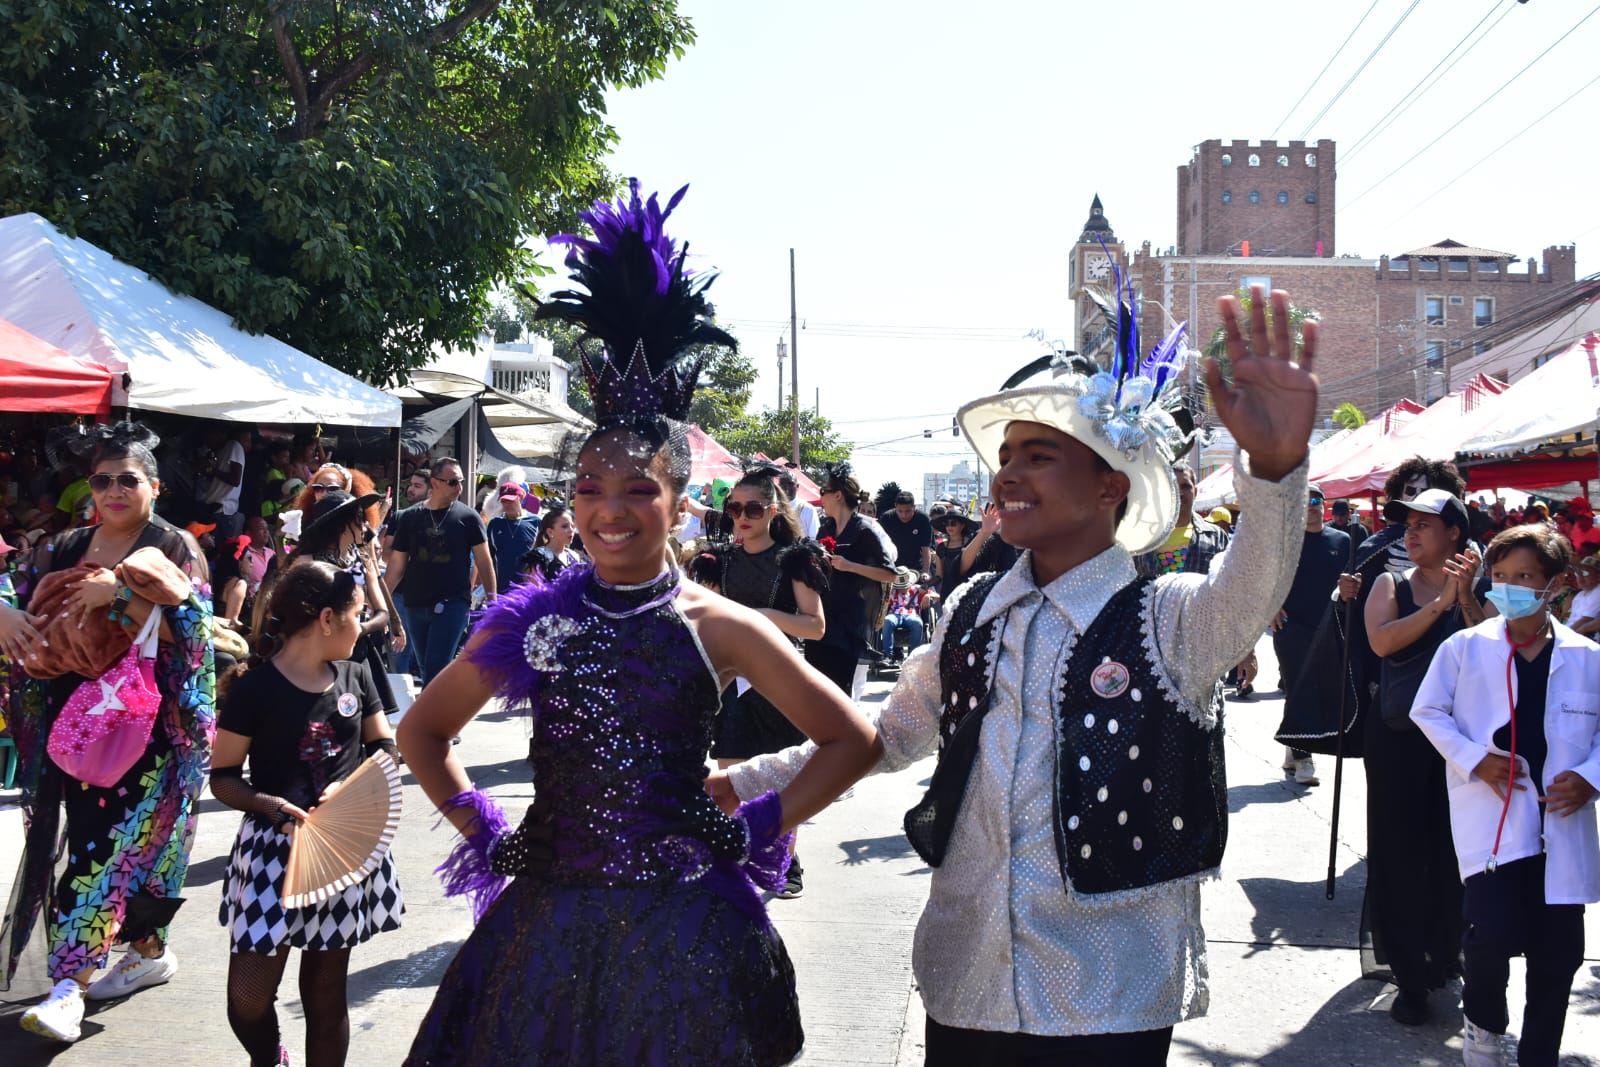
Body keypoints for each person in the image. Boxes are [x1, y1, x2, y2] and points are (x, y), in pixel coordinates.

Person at [715, 285, 1320, 1064]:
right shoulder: (970, 610)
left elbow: (1253, 589)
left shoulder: (1168, 619)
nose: (1008, 475)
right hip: (969, 980)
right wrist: (742, 781)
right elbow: (888, 736)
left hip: (1112, 997)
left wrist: (1274, 469)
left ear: (1112, 483)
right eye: (1004, 457)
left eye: (1039, 455)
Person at [395, 180, 877, 1065]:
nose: (609, 511)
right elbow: (422, 731)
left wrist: (760, 826)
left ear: (679, 497)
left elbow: (852, 740)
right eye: (588, 489)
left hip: (688, 926)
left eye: (636, 490)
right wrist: (483, 828)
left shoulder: (716, 623)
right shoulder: (534, 618)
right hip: (545, 920)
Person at [3, 421, 216, 1044]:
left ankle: (70, 987)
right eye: (103, 480)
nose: (115, 490)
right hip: (69, 721)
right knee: (119, 847)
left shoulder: (172, 549)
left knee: (104, 847)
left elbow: (198, 638)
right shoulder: (64, 546)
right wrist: (4, 613)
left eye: (129, 480)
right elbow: (19, 593)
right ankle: (148, 951)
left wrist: (115, 599)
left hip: (147, 726)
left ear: (154, 486)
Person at [1410, 524, 1600, 1067]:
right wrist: (1475, 759)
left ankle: (1539, 1055)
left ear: (1556, 586)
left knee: (1558, 956)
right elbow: (1428, 711)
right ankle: (1485, 1028)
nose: (1509, 587)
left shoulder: (1588, 657)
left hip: (1562, 829)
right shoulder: (1465, 647)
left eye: (1524, 577)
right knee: (1487, 941)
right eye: (1499, 576)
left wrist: (1591, 776)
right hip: (1493, 829)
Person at [211, 561, 403, 1067]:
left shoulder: (357, 673)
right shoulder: (253, 689)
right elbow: (223, 777)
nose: (362, 626)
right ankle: (269, 1057)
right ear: (325, 618)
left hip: (340, 848)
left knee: (324, 992)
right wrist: (264, 804)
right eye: (357, 615)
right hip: (272, 852)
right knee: (248, 999)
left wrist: (353, 783)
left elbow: (386, 748)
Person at [1361, 489, 1484, 1025]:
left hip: (1460, 744)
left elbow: (1490, 644)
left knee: (1456, 854)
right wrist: (1439, 603)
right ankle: (1409, 976)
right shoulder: (1390, 583)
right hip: (1399, 741)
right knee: (1400, 853)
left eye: (1424, 525)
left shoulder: (1478, 588)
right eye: (1406, 525)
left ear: (1455, 533)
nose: (1410, 534)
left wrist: (1466, 596)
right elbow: (1383, 643)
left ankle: (1446, 955)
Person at [706, 469, 830, 900]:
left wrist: (759, 616)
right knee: (732, 779)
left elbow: (814, 627)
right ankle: (740, 856)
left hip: (779, 678)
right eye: (734, 508)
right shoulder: (719, 559)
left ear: (772, 511)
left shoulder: (795, 558)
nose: (741, 516)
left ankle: (784, 859)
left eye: (752, 508)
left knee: (779, 781)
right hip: (730, 683)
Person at [1137, 462, 1259, 696]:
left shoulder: (1215, 538)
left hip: (1203, 646)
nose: (1179, 492)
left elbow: (1237, 592)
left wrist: (1247, 650)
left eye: (1185, 486)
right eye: (1172, 486)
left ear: (1194, 491)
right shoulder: (1142, 539)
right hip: (1151, 646)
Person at [384, 457, 494, 685]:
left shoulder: (469, 517)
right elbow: (396, 564)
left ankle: (428, 719)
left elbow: (484, 562)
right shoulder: (410, 517)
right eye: (453, 482)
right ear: (435, 483)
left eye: (461, 481)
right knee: (428, 668)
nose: (460, 488)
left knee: (435, 665)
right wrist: (381, 601)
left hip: (453, 602)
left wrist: (494, 603)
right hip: (415, 603)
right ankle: (441, 714)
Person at [1272, 482, 1351, 786]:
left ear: (1324, 504)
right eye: (1303, 500)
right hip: (1292, 627)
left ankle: (1294, 748)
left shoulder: (1341, 540)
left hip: (1330, 627)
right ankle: (1304, 757)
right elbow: (1268, 580)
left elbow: (1349, 581)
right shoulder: (1285, 542)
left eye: (1315, 499)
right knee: (1299, 687)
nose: (1310, 505)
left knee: (1316, 688)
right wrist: (1272, 606)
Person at [809, 463, 896, 696]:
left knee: (838, 693)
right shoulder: (825, 526)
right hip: (821, 616)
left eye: (823, 492)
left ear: (838, 495)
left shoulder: (864, 529)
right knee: (816, 692)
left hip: (849, 621)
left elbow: (889, 573)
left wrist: (850, 566)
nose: (821, 498)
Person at [484, 470, 539, 594]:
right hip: (502, 591)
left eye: (511, 500)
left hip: (529, 592)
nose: (507, 504)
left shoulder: (535, 522)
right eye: (504, 501)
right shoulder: (495, 524)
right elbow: (487, 559)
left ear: (521, 497)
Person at [200, 423, 250, 541]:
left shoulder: (234, 446)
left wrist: (212, 469)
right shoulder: (222, 451)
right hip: (215, 508)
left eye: (209, 435)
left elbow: (235, 479)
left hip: (223, 509)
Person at [523, 501, 583, 583]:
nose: (571, 530)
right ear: (550, 532)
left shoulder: (574, 556)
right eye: (565, 526)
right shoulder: (539, 558)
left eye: (572, 526)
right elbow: (533, 592)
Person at [878, 491, 934, 577]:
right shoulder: (887, 518)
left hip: (915, 569)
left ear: (914, 507)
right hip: (891, 568)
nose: (904, 515)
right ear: (895, 506)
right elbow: (880, 547)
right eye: (900, 511)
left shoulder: (923, 519)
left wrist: (925, 572)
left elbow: (926, 549)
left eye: (908, 511)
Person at [879, 567, 928, 662]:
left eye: (904, 586)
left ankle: (913, 657)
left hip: (911, 615)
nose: (903, 588)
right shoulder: (892, 591)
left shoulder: (917, 589)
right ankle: (888, 655)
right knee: (887, 621)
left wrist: (928, 595)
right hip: (895, 614)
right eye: (900, 586)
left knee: (918, 623)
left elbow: (937, 596)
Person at [1566, 554, 1600, 637]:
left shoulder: (1598, 592)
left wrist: (1563, 636)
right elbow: (1571, 620)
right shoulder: (1580, 595)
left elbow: (1586, 620)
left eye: (1585, 573)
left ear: (1598, 577)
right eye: (1578, 573)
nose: (1580, 577)